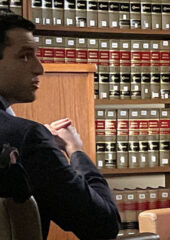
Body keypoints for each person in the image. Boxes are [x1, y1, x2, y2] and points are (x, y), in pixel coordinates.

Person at [0, 9, 120, 240]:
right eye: (25, 56)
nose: (39, 68)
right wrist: (75, 150)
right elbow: (103, 225)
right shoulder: (27, 138)